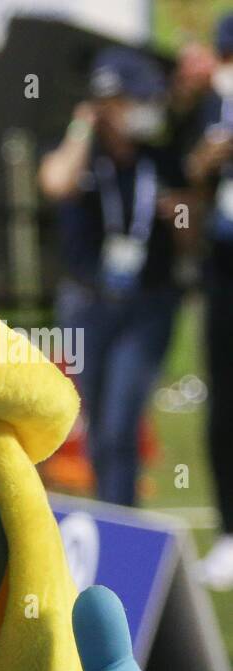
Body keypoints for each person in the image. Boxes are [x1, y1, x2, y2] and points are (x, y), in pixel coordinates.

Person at [39, 48, 187, 507]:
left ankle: (122, 520)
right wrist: (83, 125)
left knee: (123, 421)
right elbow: (56, 183)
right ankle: (107, 516)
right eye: (135, 100)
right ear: (108, 103)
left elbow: (188, 234)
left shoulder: (160, 160)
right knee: (98, 426)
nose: (145, 110)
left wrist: (179, 212)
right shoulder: (82, 155)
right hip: (87, 304)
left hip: (147, 305)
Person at [188, 15, 233, 589]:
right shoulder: (206, 108)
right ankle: (230, 529)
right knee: (224, 402)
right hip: (224, 268)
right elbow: (186, 180)